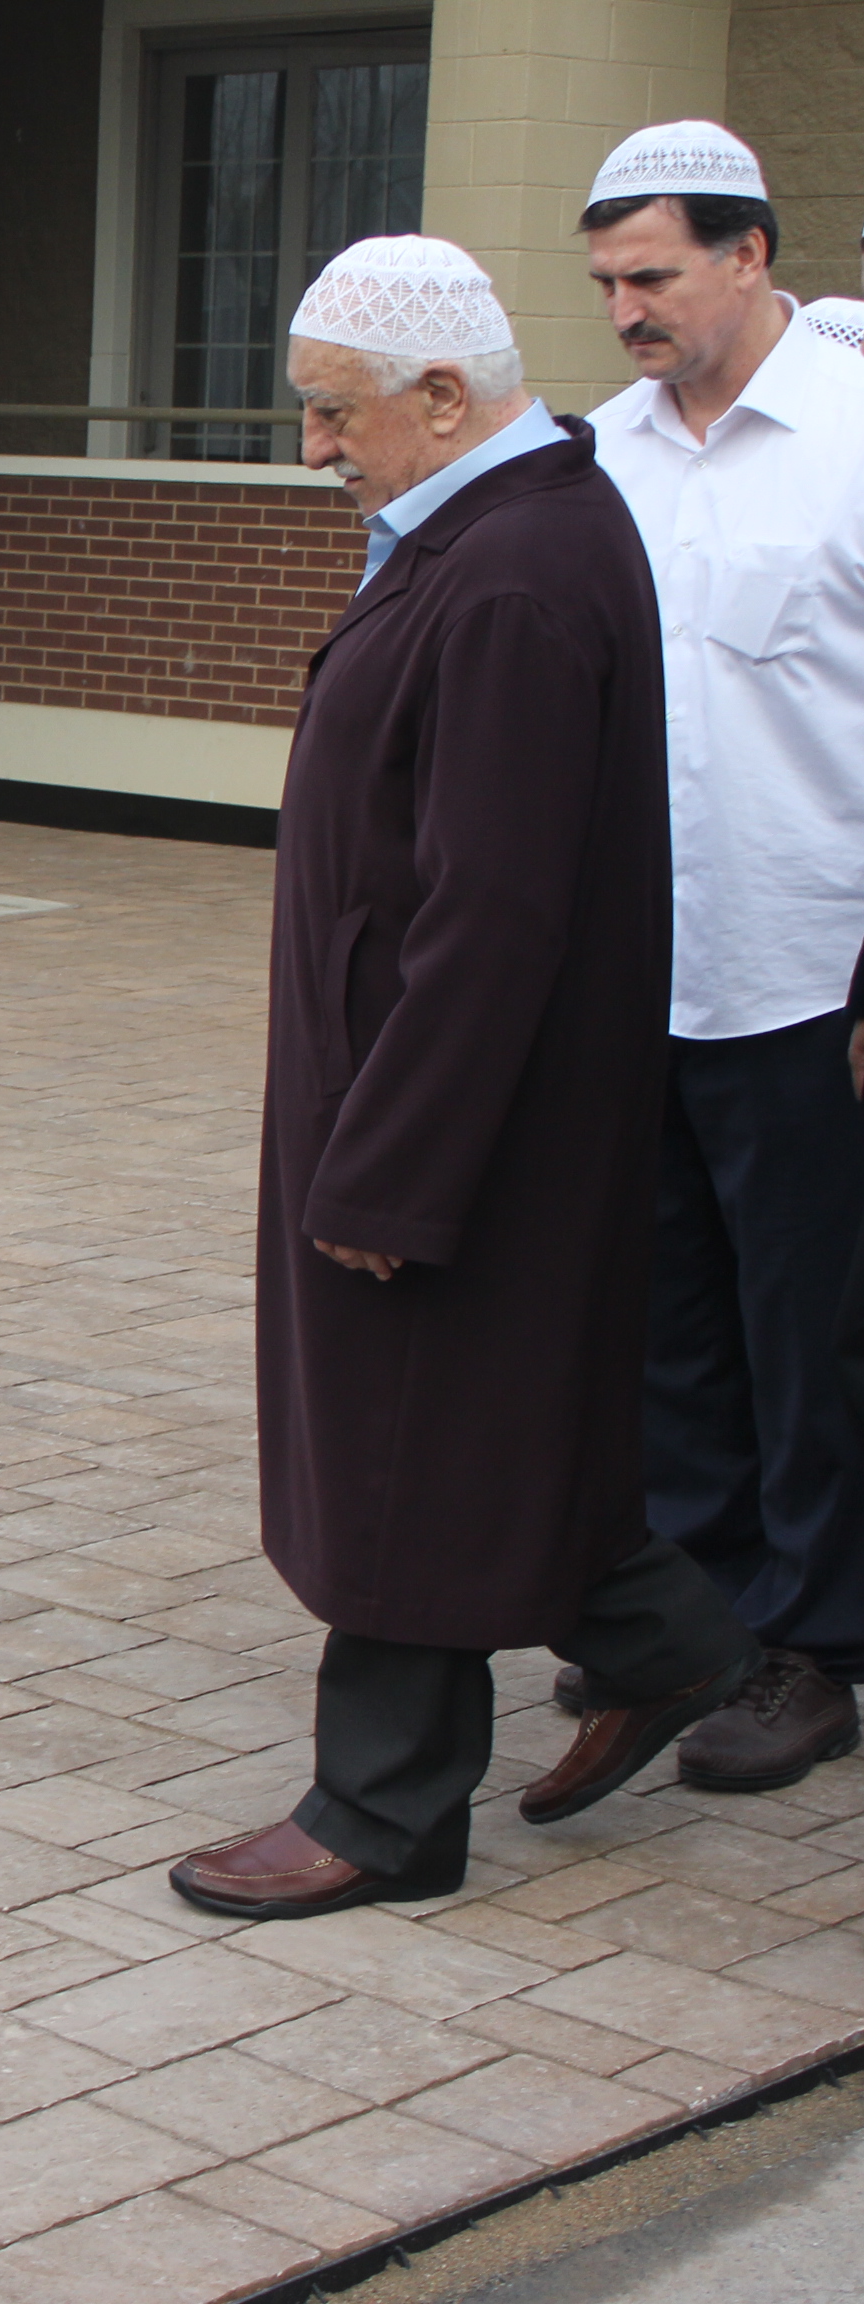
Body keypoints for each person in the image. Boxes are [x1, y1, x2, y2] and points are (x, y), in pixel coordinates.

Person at [169, 237, 762, 1921]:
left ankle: (380, 1808)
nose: (312, 449)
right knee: (487, 1419)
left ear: (440, 396)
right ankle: (664, 1638)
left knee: (404, 1440)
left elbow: (493, 911)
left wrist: (391, 1167)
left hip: (448, 1117)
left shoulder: (508, 572)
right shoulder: (493, 531)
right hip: (437, 1094)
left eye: (330, 413)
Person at [578, 122, 864, 1790]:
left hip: (808, 976)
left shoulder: (849, 434)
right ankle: (696, 1627)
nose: (624, 309)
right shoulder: (600, 455)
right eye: (605, 282)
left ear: (747, 254)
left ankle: (815, 1642)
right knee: (668, 1319)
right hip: (642, 974)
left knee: (809, 1324)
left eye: (653, 275)